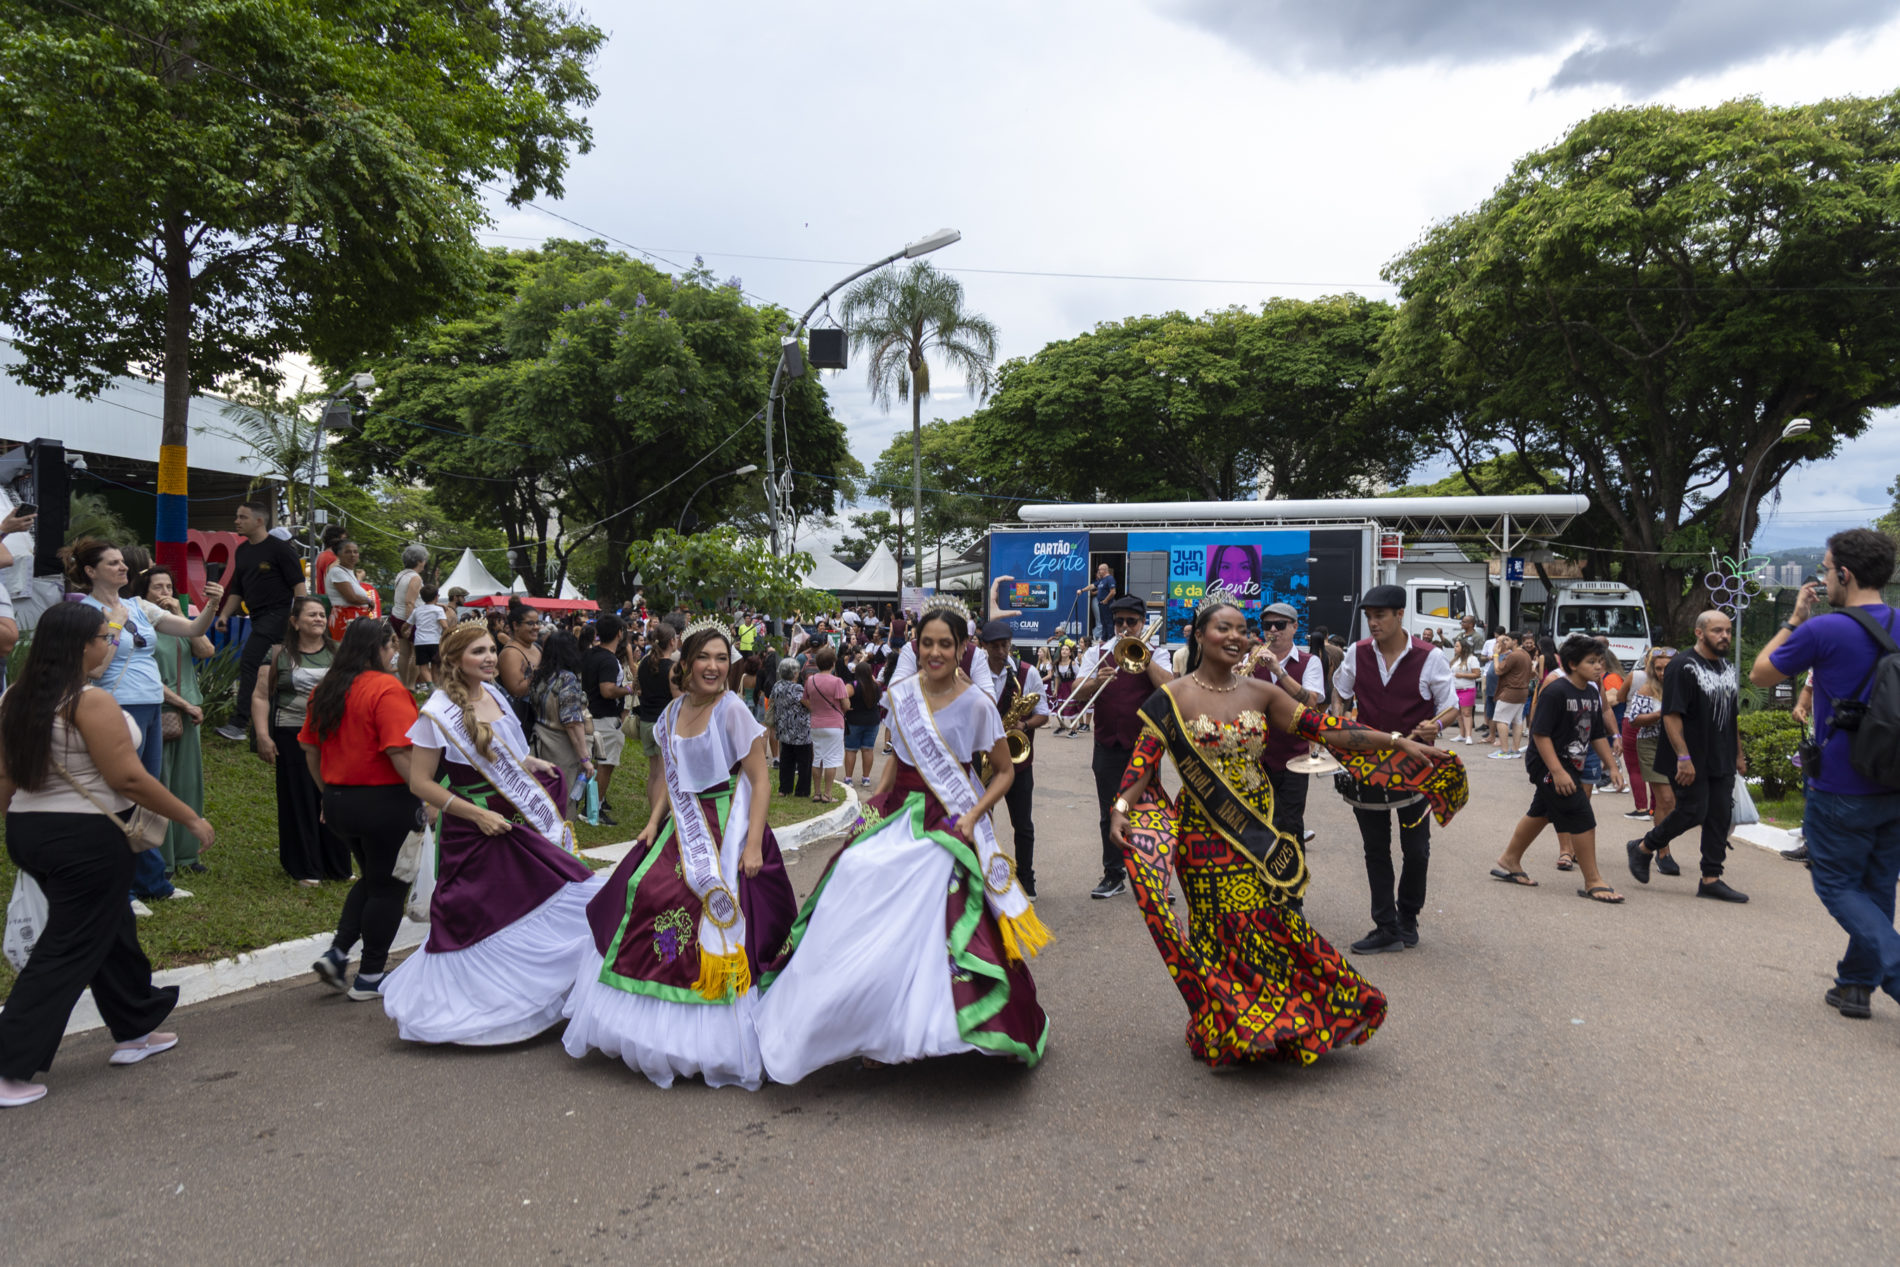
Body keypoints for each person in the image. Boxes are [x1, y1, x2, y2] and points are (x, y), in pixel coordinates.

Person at [1108, 595, 1457, 1067]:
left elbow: (1328, 730)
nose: (1235, 637)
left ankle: (1277, 1017)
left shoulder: (1262, 692)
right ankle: (1232, 1023)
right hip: (1203, 836)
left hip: (1258, 831)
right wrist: (1122, 806)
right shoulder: (1170, 698)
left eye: (1241, 629)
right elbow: (1143, 761)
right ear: (1199, 634)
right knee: (1215, 931)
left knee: (1267, 923)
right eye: (1222, 628)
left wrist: (1395, 741)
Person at [755, 599, 1049, 1082]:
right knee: (854, 879)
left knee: (933, 916)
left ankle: (933, 1031)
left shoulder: (977, 702)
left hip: (950, 814)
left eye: (945, 644)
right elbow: (897, 758)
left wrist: (975, 814)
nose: (935, 652)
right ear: (917, 645)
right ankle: (867, 1024)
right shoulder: (901, 694)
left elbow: (1002, 771)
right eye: (927, 643)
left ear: (961, 649)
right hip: (900, 807)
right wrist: (875, 800)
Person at [562, 620, 798, 1089]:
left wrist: (753, 844)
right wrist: (652, 822)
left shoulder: (733, 711)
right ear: (686, 664)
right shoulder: (671, 712)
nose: (713, 666)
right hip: (684, 822)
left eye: (721, 658)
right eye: (704, 658)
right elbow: (673, 781)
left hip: (728, 822)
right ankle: (646, 1027)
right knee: (641, 889)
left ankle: (718, 1039)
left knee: (714, 915)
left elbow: (760, 779)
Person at [0, 603, 216, 1108]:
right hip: (87, 837)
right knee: (68, 949)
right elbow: (128, 778)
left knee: (112, 926)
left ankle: (135, 1026)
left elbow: (6, 779)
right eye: (105, 635)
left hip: (31, 829)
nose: (112, 642)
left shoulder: (15, 697)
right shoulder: (89, 701)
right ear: (81, 646)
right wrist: (189, 817)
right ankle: (9, 1064)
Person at [383, 622, 606, 1044]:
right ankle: (474, 1010)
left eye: (490, 649)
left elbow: (506, 754)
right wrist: (476, 816)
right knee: (476, 917)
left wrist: (530, 764)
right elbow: (420, 783)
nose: (488, 658)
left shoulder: (495, 694)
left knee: (543, 897)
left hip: (515, 821)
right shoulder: (437, 712)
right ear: (454, 660)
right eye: (477, 652)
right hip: (472, 828)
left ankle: (526, 1000)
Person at [1752, 528, 1900, 1018]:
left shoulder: (1825, 629)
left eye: (1827, 565)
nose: (1825, 573)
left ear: (1845, 574)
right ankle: (1855, 985)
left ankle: (1891, 972)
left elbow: (1761, 672)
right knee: (1877, 887)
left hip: (1840, 784)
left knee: (1836, 884)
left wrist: (1795, 620)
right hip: (1894, 782)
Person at [71, 539, 224, 905]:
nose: (124, 568)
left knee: (147, 796)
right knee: (122, 795)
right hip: (116, 709)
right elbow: (93, 670)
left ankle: (153, 882)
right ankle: (121, 889)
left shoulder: (139, 605)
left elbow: (191, 630)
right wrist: (113, 625)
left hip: (152, 706)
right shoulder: (85, 612)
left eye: (123, 563)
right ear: (92, 572)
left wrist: (214, 603)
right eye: (113, 564)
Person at [1333, 584, 1458, 954]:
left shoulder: (1429, 656)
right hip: (1368, 764)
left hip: (1416, 766)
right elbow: (1341, 691)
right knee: (1375, 848)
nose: (1373, 623)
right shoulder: (1356, 653)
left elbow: (1449, 706)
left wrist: (1437, 725)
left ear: (1400, 615)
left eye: (1380, 616)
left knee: (1416, 849)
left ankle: (1408, 918)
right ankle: (1385, 925)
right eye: (1369, 617)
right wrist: (1339, 720)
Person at [302, 619, 424, 1000]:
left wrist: (328, 792)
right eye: (392, 645)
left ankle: (338, 954)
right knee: (389, 887)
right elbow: (400, 752)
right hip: (386, 801)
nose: (396, 653)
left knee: (372, 879)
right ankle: (370, 974)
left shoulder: (327, 689)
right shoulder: (387, 689)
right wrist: (425, 795)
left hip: (340, 800)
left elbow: (309, 749)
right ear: (381, 647)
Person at [1490, 634, 1628, 902]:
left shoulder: (1590, 691)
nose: (1600, 667)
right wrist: (1557, 771)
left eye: (1601, 662)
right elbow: (1540, 735)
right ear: (1573, 664)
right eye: (1592, 662)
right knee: (1581, 816)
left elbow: (1598, 734)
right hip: (1548, 763)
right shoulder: (1556, 690)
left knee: (1542, 811)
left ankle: (1510, 859)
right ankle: (1593, 881)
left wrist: (1612, 767)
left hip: (1570, 764)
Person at [1627, 610, 1749, 903]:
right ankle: (1644, 846)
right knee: (1692, 811)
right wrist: (1683, 757)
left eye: (1728, 631)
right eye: (1717, 630)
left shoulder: (1727, 668)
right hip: (1689, 758)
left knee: (1719, 815)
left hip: (1721, 756)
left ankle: (1711, 878)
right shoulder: (1682, 666)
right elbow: (1671, 715)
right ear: (1699, 632)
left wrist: (1739, 754)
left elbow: (1731, 716)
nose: (1724, 636)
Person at [1065, 596, 1173, 898]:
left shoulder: (1157, 652)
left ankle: (1152, 875)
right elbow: (1076, 691)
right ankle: (1114, 874)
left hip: (1144, 746)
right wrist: (1094, 681)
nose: (1124, 628)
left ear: (1142, 624)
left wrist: (1144, 656)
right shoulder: (1098, 653)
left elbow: (1168, 688)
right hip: (1107, 741)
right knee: (1108, 812)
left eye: (1131, 622)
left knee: (1148, 811)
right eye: (1119, 622)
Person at [252, 596, 347, 885]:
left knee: (333, 797)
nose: (319, 619)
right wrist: (263, 736)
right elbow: (259, 696)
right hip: (291, 734)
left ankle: (337, 865)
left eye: (322, 614)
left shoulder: (338, 652)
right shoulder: (278, 654)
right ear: (294, 622)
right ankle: (304, 866)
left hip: (332, 735)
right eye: (311, 615)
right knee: (300, 798)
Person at [138, 565, 215, 877]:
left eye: (169, 587)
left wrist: (183, 617)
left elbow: (206, 650)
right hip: (162, 708)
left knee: (188, 783)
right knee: (162, 781)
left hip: (189, 710)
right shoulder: (142, 625)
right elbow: (150, 676)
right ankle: (163, 859)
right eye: (158, 588)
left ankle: (187, 854)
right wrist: (181, 702)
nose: (165, 594)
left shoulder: (182, 622)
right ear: (143, 593)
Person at [213, 502, 308, 743]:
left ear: (259, 521)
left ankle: (238, 723)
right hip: (255, 616)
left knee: (250, 663)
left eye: (242, 517)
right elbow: (237, 588)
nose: (236, 521)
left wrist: (300, 616)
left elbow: (299, 586)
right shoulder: (242, 551)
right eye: (237, 516)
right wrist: (224, 615)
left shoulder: (280, 550)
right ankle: (269, 727)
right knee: (272, 671)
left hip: (278, 615)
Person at [978, 620, 1052, 898]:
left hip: (1017, 761)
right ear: (984, 646)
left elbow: (1043, 713)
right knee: (982, 822)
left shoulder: (1027, 672)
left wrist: (1023, 726)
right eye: (995, 646)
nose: (1001, 652)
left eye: (1005, 645)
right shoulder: (975, 672)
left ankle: (1026, 879)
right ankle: (984, 874)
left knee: (1023, 824)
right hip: (981, 760)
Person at [1249, 602, 1327, 846]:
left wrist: (1279, 671)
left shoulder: (1309, 661)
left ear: (1294, 627)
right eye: (1267, 625)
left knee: (1290, 826)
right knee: (1260, 826)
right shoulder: (1250, 661)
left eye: (1280, 625)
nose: (1272, 630)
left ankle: (1292, 882)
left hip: (1294, 758)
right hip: (1256, 757)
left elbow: (1311, 702)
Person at [528, 631, 593, 813]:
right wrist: (585, 758)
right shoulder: (568, 679)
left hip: (538, 741)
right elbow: (572, 724)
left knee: (542, 797)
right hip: (561, 747)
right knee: (562, 801)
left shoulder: (539, 676)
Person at [583, 614, 632, 824]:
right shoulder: (609, 660)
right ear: (619, 633)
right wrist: (629, 689)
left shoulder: (590, 654)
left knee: (593, 764)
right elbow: (608, 690)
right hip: (604, 717)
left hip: (589, 715)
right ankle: (594, 809)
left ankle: (593, 802)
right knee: (605, 765)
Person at [634, 622, 681, 811]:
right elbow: (678, 699)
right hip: (663, 725)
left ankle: (655, 813)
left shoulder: (645, 662)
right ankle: (658, 816)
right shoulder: (671, 668)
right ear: (671, 641)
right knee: (663, 774)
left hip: (646, 721)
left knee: (654, 773)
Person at [802, 644, 851, 804]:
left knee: (817, 759)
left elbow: (804, 699)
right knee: (831, 760)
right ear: (833, 663)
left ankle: (816, 793)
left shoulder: (810, 681)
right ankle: (828, 794)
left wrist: (815, 709)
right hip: (834, 725)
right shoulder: (837, 682)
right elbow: (846, 705)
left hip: (816, 724)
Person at [496, 599, 543, 734]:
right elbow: (516, 691)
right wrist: (539, 672)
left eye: (537, 622)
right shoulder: (511, 653)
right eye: (530, 623)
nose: (536, 627)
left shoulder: (537, 647)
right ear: (515, 625)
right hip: (525, 722)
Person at [771, 659, 813, 798]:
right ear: (795, 673)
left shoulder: (777, 685)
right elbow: (808, 704)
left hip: (784, 728)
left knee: (786, 760)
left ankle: (784, 788)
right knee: (804, 763)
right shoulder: (797, 688)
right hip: (800, 731)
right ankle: (802, 790)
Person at [1487, 632, 1531, 758]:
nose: (1504, 643)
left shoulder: (1514, 655)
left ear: (1515, 641)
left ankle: (1504, 751)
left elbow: (1498, 670)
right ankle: (1515, 750)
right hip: (1522, 692)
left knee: (1501, 720)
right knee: (1517, 721)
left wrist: (1495, 655)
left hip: (1510, 692)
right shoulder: (1526, 654)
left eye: (1507, 640)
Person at [389, 543, 427, 687]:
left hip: (396, 616)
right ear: (419, 561)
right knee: (417, 653)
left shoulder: (401, 574)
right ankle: (411, 686)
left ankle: (403, 685)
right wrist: (409, 625)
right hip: (409, 618)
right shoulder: (415, 578)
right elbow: (410, 602)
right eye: (424, 560)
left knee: (404, 652)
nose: (425, 563)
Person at [323, 540, 375, 640]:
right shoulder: (337, 572)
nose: (352, 555)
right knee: (348, 651)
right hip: (345, 618)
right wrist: (368, 601)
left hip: (355, 618)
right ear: (338, 554)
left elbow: (354, 590)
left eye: (355, 552)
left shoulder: (348, 572)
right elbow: (351, 597)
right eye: (348, 552)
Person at [843, 657, 882, 789]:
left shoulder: (852, 685)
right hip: (873, 721)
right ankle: (866, 778)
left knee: (851, 750)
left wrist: (846, 706)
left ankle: (848, 778)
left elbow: (842, 695)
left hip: (854, 721)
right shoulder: (875, 686)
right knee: (868, 749)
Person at [410, 584, 446, 687]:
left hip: (420, 642)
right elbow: (444, 625)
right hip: (435, 641)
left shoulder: (417, 610)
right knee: (435, 667)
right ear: (436, 597)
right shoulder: (439, 610)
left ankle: (431, 687)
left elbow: (408, 624)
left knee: (423, 667)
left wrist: (404, 631)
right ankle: (437, 688)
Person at [1451, 637, 1481, 745]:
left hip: (1467, 689)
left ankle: (1468, 735)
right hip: (1455, 689)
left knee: (1467, 713)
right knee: (1458, 713)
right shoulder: (1456, 659)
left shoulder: (1472, 659)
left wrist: (1462, 675)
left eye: (1457, 646)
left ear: (1464, 648)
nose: (1455, 648)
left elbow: (1477, 674)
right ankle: (1462, 734)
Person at [312, 524, 347, 601]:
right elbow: (336, 585)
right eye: (344, 539)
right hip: (333, 604)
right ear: (336, 540)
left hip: (324, 601)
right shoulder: (333, 559)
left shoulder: (322, 555)